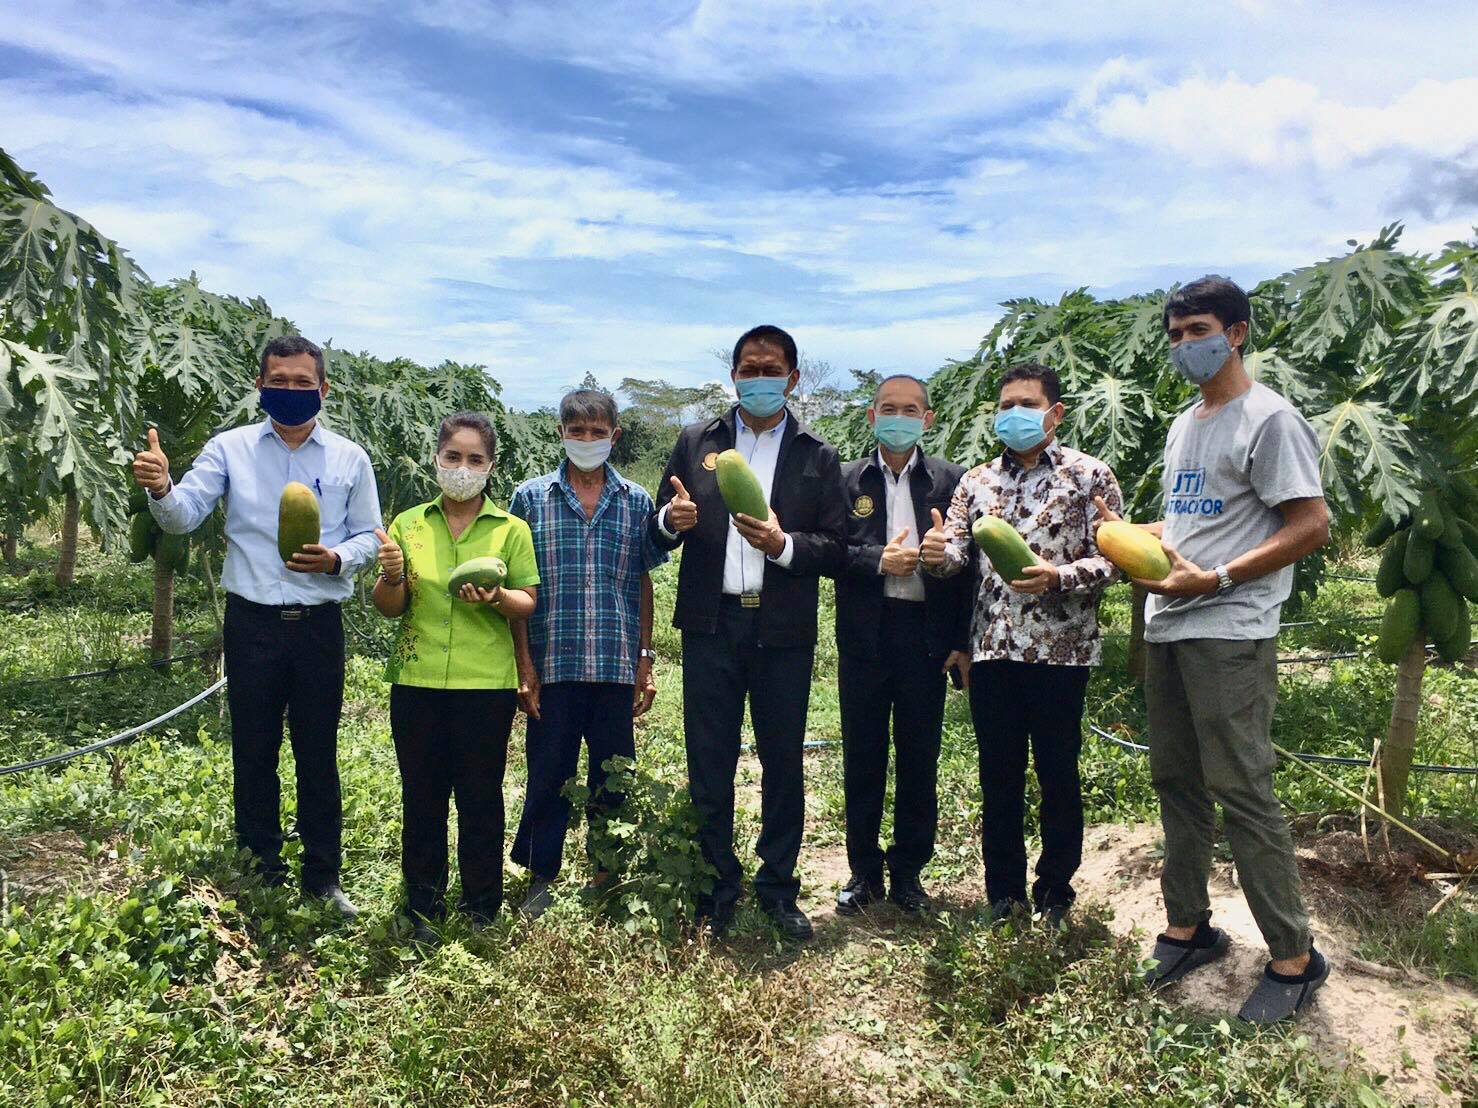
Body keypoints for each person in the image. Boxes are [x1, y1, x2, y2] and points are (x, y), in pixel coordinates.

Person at [1098, 275, 1331, 1024]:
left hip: (1230, 630)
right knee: (1177, 782)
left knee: (1243, 791)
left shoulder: (1269, 420)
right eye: (1173, 334)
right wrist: (1125, 533)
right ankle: (1188, 926)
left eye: (1195, 329)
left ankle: (1295, 958)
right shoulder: (1185, 423)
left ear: (1234, 332)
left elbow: (1310, 524)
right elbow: (1191, 524)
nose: (1182, 345)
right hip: (1170, 626)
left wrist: (1221, 576)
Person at [133, 334, 380, 916]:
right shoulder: (229, 449)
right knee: (254, 748)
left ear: (323, 388)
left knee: (317, 751)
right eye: (279, 381)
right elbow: (184, 515)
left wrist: (339, 557)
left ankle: (323, 877)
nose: (290, 391)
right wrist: (163, 487)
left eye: (302, 382)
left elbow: (372, 533)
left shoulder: (349, 457)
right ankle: (261, 870)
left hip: (319, 624)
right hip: (253, 625)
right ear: (260, 386)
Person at [649, 324, 847, 940]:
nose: (758, 378)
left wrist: (785, 543)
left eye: (771, 369)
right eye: (748, 368)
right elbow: (657, 530)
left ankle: (779, 887)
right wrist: (669, 520)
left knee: (783, 759)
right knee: (710, 758)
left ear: (792, 378)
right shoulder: (694, 443)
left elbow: (837, 548)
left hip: (783, 627)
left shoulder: (818, 455)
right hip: (712, 623)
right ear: (732, 375)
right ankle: (715, 885)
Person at [921, 362, 1122, 926]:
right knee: (998, 775)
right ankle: (1003, 894)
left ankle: (1056, 892)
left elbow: (1116, 556)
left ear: (1054, 413)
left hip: (1062, 651)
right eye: (1006, 404)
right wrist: (937, 555)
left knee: (1059, 771)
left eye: (1026, 404)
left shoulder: (1090, 477)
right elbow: (959, 555)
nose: (1013, 414)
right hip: (993, 651)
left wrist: (1060, 577)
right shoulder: (976, 481)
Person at [372, 411, 540, 942]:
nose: (462, 468)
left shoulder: (510, 530)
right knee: (421, 795)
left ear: (490, 467)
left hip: (484, 686)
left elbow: (528, 602)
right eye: (453, 457)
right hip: (417, 681)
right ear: (436, 460)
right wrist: (393, 575)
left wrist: (496, 597)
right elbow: (390, 606)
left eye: (474, 459)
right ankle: (422, 901)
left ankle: (481, 903)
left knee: (480, 796)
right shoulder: (408, 524)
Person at [508, 389, 668, 917]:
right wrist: (523, 664)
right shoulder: (530, 498)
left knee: (612, 774)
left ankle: (607, 875)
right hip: (552, 663)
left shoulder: (637, 501)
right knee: (548, 770)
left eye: (597, 431)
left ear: (614, 436)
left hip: (615, 664)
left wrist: (644, 660)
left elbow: (642, 583)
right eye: (576, 431)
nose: (587, 440)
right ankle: (540, 875)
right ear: (561, 434)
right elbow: (516, 585)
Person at [830, 374, 972, 916]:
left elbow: (969, 568)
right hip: (865, 632)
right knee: (862, 755)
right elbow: (829, 550)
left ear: (927, 419)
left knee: (920, 756)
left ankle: (909, 872)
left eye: (910, 409)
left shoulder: (951, 481)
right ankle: (863, 872)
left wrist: (958, 640)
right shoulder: (845, 480)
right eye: (888, 407)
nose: (899, 416)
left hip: (925, 634)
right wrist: (874, 560)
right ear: (871, 416)